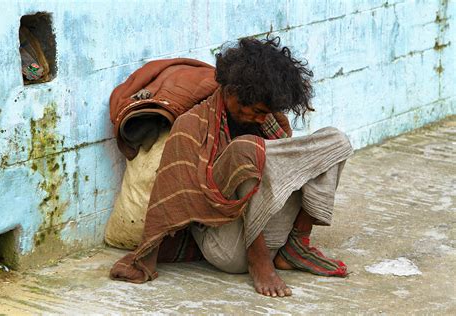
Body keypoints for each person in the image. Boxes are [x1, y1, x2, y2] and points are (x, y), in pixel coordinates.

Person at [110, 36, 353, 298]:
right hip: (228, 247)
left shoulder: (269, 120)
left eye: (266, 112)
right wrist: (144, 259)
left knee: (335, 141)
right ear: (232, 93)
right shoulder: (192, 126)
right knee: (246, 149)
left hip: (273, 232)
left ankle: (296, 246)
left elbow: (285, 176)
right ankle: (258, 260)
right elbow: (168, 201)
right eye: (257, 111)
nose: (262, 118)